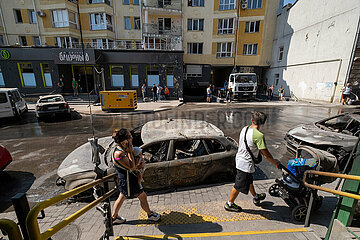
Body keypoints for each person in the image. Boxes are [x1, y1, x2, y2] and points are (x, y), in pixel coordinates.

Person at [224, 111, 280, 212]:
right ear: (263, 123)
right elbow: (266, 154)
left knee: (249, 180)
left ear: (251, 120)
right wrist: (275, 163)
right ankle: (229, 204)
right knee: (238, 185)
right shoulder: (259, 136)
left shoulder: (244, 129)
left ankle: (255, 196)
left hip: (239, 159)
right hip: (245, 164)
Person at [111, 128, 161, 224]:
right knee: (142, 196)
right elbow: (132, 167)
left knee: (122, 197)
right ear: (124, 141)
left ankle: (114, 217)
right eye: (129, 137)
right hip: (128, 181)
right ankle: (150, 214)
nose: (132, 138)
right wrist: (130, 152)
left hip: (128, 179)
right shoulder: (119, 154)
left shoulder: (122, 149)